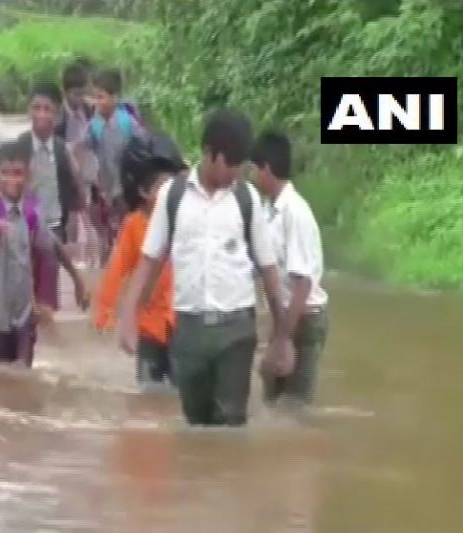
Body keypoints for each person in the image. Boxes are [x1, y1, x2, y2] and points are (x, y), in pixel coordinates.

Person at [117, 109, 293, 427]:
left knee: (230, 421)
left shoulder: (247, 199)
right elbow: (149, 260)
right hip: (189, 332)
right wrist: (129, 316)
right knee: (196, 424)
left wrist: (282, 335)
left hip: (236, 330)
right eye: (231, 164)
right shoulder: (172, 197)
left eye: (242, 165)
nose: (236, 173)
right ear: (210, 154)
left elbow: (268, 269)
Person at [0, 141, 90, 368]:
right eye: (5, 173)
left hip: (25, 312)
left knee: (24, 373)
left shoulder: (31, 213)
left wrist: (78, 280)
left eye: (18, 174)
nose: (12, 180)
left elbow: (54, 245)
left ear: (28, 176)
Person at [94, 132, 185, 388]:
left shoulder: (186, 220)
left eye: (174, 183)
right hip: (149, 326)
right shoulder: (134, 225)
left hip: (181, 322)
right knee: (150, 391)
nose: (171, 191)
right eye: (163, 185)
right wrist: (106, 313)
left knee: (181, 390)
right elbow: (116, 269)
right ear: (143, 191)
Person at [250, 132, 329, 408]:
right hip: (284, 318)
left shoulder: (295, 212)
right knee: (271, 402)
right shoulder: (268, 209)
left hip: (303, 321)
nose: (252, 176)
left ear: (266, 169)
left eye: (254, 168)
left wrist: (284, 339)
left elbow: (302, 283)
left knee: (294, 409)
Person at [15, 80, 83, 313]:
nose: (41, 115)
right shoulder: (18, 148)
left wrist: (75, 223)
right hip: (22, 232)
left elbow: (74, 192)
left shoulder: (62, 150)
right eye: (36, 108)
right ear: (28, 111)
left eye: (48, 109)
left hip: (54, 228)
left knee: (47, 305)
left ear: (57, 114)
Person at [87, 67, 145, 263]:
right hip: (107, 184)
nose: (97, 102)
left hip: (127, 184)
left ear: (114, 97)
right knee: (114, 223)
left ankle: (129, 258)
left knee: (126, 221)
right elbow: (88, 149)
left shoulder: (126, 122)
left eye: (101, 97)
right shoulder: (94, 124)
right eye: (95, 97)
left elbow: (141, 145)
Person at [56, 59, 100, 267]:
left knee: (88, 210)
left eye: (82, 93)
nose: (79, 98)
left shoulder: (89, 109)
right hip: (66, 168)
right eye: (75, 94)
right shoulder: (59, 115)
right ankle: (71, 255)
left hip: (86, 168)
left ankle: (90, 255)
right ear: (65, 93)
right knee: (71, 214)